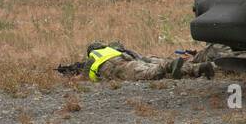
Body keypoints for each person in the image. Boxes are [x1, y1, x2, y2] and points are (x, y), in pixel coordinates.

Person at [65, 42, 217, 81]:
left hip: (118, 68)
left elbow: (84, 78)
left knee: (149, 73)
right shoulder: (113, 49)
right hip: (130, 58)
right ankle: (198, 68)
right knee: (152, 65)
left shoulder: (93, 57)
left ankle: (170, 66)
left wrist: (71, 79)